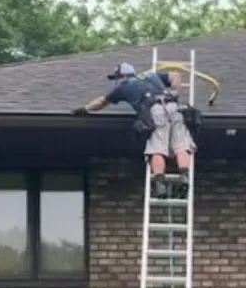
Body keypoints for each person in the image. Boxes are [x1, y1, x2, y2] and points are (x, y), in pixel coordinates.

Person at [73, 63, 195, 197]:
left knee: (157, 148)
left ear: (123, 76)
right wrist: (174, 91)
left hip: (155, 111)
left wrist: (84, 109)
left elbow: (101, 102)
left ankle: (160, 184)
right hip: (174, 108)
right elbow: (175, 75)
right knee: (181, 146)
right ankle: (185, 177)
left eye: (116, 77)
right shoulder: (150, 75)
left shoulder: (123, 87)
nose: (116, 81)